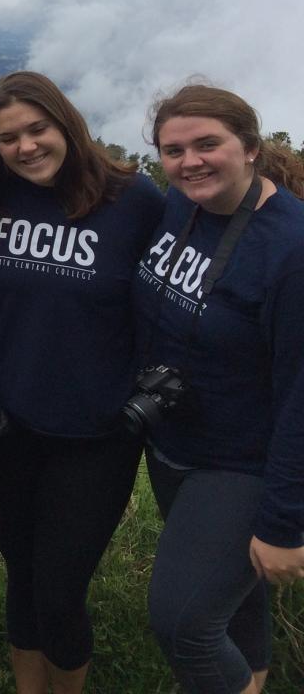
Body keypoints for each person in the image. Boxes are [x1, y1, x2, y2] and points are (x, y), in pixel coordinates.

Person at [0, 72, 164, 694]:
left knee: (58, 591)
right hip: (7, 427)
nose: (25, 146)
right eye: (8, 137)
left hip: (95, 434)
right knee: (21, 577)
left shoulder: (134, 200)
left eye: (37, 129)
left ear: (66, 125)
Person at [134, 84, 304, 694]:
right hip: (175, 442)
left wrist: (284, 522)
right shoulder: (183, 206)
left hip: (242, 463)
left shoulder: (289, 248)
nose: (190, 162)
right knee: (230, 600)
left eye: (208, 144)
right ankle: (250, 677)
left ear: (252, 148)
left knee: (182, 622)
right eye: (173, 150)